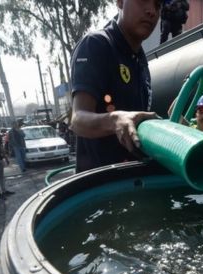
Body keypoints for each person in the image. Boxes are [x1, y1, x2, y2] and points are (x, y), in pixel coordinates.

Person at [70, 0, 160, 173]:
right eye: (143, 1)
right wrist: (115, 120)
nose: (151, 11)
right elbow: (77, 120)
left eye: (158, 5)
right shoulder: (96, 45)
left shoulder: (140, 61)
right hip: (99, 187)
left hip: (132, 183)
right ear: (119, 2)